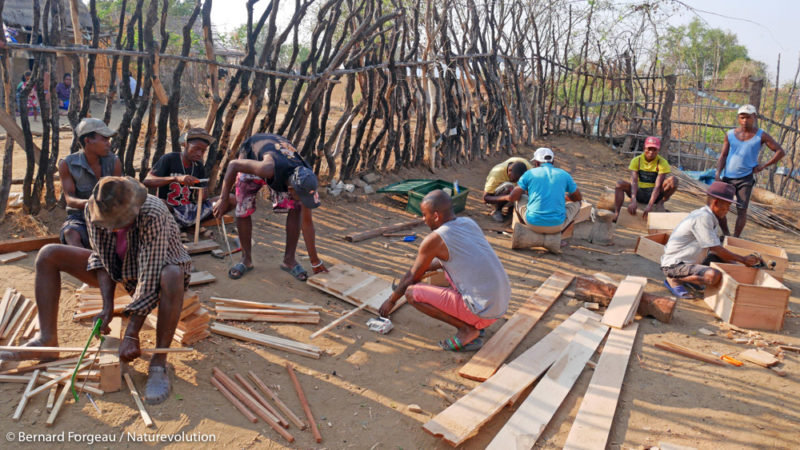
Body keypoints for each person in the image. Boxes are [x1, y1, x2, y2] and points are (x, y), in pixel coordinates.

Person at [0, 177, 191, 404]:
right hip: (121, 269)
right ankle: (46, 341)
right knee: (48, 254)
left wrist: (131, 334)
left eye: (119, 221)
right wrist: (107, 306)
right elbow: (102, 260)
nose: (113, 227)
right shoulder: (96, 209)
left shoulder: (153, 213)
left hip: (159, 269)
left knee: (172, 275)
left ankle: (159, 362)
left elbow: (149, 275)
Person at [379, 190, 510, 351]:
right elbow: (444, 260)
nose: (423, 219)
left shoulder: (435, 239)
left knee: (411, 293)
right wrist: (421, 269)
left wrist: (391, 300)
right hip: (500, 304)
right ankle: (472, 322)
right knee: (445, 268)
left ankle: (467, 329)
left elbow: (411, 278)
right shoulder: (468, 223)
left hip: (483, 312)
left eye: (424, 215)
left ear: (435, 216)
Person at [212, 133, 327, 281]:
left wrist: (315, 261)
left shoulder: (305, 178)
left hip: (279, 158)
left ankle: (289, 260)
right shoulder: (267, 168)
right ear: (291, 190)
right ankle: (246, 259)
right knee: (243, 207)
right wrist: (223, 198)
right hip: (253, 155)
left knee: (296, 208)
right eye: (302, 197)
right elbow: (233, 164)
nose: (305, 201)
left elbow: (307, 223)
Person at [661, 181, 760, 299]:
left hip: (690, 261)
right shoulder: (703, 217)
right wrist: (743, 259)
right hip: (674, 265)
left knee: (728, 261)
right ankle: (674, 279)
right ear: (716, 203)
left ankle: (690, 278)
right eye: (727, 206)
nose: (728, 210)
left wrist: (738, 264)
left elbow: (715, 250)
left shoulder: (711, 218)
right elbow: (715, 248)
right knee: (713, 276)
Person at [715, 104, 785, 237]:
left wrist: (763, 165)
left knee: (741, 210)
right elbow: (723, 155)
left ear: (754, 117)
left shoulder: (761, 135)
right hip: (728, 177)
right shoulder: (730, 134)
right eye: (742, 117)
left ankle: (735, 238)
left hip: (745, 178)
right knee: (719, 207)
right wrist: (718, 173)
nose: (745, 121)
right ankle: (726, 234)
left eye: (748, 117)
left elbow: (780, 151)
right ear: (738, 118)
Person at [58, 118, 122, 248]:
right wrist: (92, 204)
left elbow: (119, 194)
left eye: (108, 140)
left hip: (108, 215)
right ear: (88, 140)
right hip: (80, 217)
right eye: (104, 139)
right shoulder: (67, 164)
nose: (108, 143)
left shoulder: (114, 162)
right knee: (70, 233)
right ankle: (84, 265)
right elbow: (70, 198)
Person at [495, 147, 583, 235]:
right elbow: (578, 197)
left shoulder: (529, 174)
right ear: (553, 162)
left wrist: (498, 198)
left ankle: (525, 230)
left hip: (532, 223)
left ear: (536, 163)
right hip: (557, 226)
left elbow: (513, 197)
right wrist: (566, 197)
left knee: (520, 197)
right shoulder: (564, 175)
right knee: (578, 203)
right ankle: (559, 235)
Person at [144, 128, 215, 228]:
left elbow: (202, 197)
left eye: (203, 151)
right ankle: (186, 224)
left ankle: (187, 224)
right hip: (170, 209)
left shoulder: (199, 166)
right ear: (185, 144)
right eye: (196, 148)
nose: (199, 153)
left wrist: (203, 192)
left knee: (228, 199)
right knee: (161, 203)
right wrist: (176, 179)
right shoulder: (169, 159)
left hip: (189, 209)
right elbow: (147, 181)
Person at [613, 136, 678, 222]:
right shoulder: (637, 160)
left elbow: (658, 186)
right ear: (644, 148)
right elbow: (634, 182)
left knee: (673, 181)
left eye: (654, 150)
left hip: (656, 194)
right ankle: (617, 213)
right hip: (640, 192)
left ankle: (660, 203)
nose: (651, 152)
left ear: (658, 151)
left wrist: (650, 205)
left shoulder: (662, 163)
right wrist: (633, 200)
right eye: (649, 149)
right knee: (619, 184)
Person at [482, 157, 532, 222]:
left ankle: (511, 211)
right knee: (509, 186)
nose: (516, 181)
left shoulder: (528, 169)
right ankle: (497, 210)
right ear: (509, 171)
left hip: (512, 195)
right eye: (514, 179)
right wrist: (506, 198)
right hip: (497, 195)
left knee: (524, 190)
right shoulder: (496, 174)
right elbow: (485, 199)